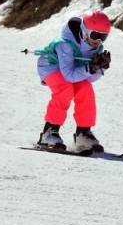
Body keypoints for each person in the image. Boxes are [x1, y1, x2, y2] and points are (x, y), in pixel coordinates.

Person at [34, 10, 112, 152]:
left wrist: (99, 68)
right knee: (65, 88)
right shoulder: (65, 44)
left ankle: (83, 133)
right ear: (84, 30)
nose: (98, 40)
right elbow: (69, 76)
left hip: (72, 70)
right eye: (95, 35)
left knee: (85, 88)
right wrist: (89, 67)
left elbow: (89, 79)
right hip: (50, 66)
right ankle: (49, 132)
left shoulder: (97, 47)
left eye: (103, 37)